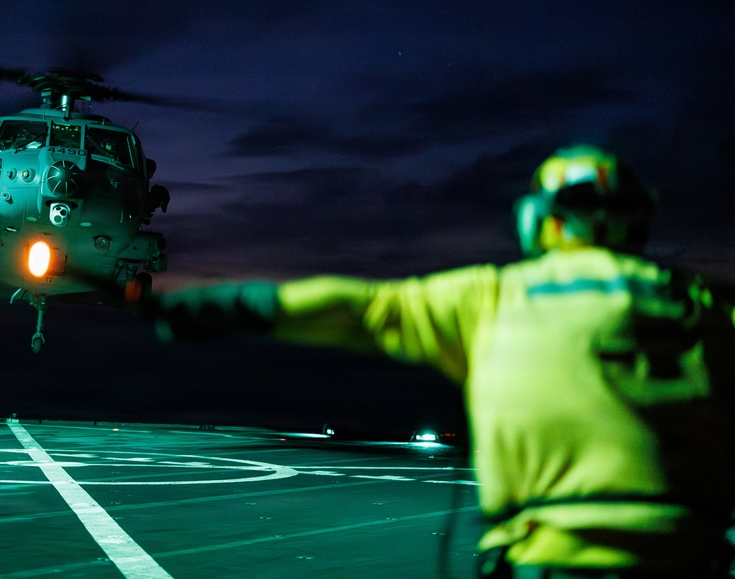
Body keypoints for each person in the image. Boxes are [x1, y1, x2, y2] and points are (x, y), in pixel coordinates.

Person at [156, 145, 735, 577]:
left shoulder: (495, 294)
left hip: (550, 558)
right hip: (691, 561)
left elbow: (356, 309)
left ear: (540, 218)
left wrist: (227, 306)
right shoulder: (705, 305)